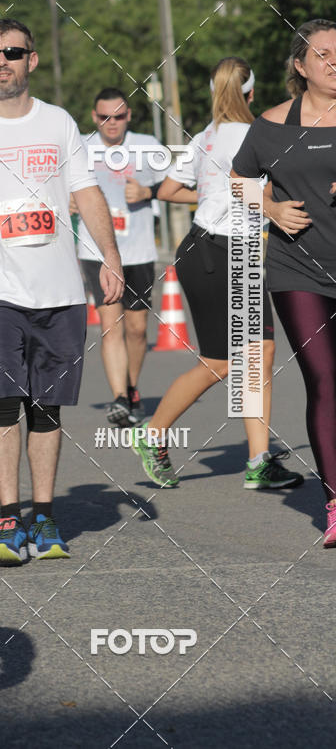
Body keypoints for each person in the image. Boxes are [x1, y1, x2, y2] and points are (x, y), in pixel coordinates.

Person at [0, 18, 123, 564]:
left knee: (47, 407)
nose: (3, 62)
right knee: (2, 398)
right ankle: (9, 520)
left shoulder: (59, 124)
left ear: (32, 60)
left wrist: (110, 258)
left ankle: (45, 516)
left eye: (13, 52)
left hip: (59, 288)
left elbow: (86, 194)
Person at [132, 57, 303, 493]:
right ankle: (153, 434)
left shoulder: (205, 136)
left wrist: (211, 196)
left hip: (214, 245)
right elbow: (252, 187)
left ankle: (259, 460)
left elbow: (169, 191)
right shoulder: (254, 133)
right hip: (222, 250)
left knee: (258, 354)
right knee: (223, 361)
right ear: (251, 93)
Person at [232, 20, 336, 547]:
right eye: (323, 54)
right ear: (300, 65)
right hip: (299, 271)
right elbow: (237, 182)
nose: (334, 61)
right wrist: (269, 207)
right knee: (324, 379)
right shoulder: (271, 126)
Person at [75, 87, 164, 426]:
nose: (112, 123)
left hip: (138, 249)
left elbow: (171, 186)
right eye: (104, 117)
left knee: (137, 329)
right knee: (111, 326)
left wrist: (148, 191)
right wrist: (67, 202)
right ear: (94, 117)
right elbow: (55, 187)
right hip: (96, 250)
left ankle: (131, 386)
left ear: (130, 116)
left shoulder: (147, 146)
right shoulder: (81, 148)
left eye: (120, 116)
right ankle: (119, 399)